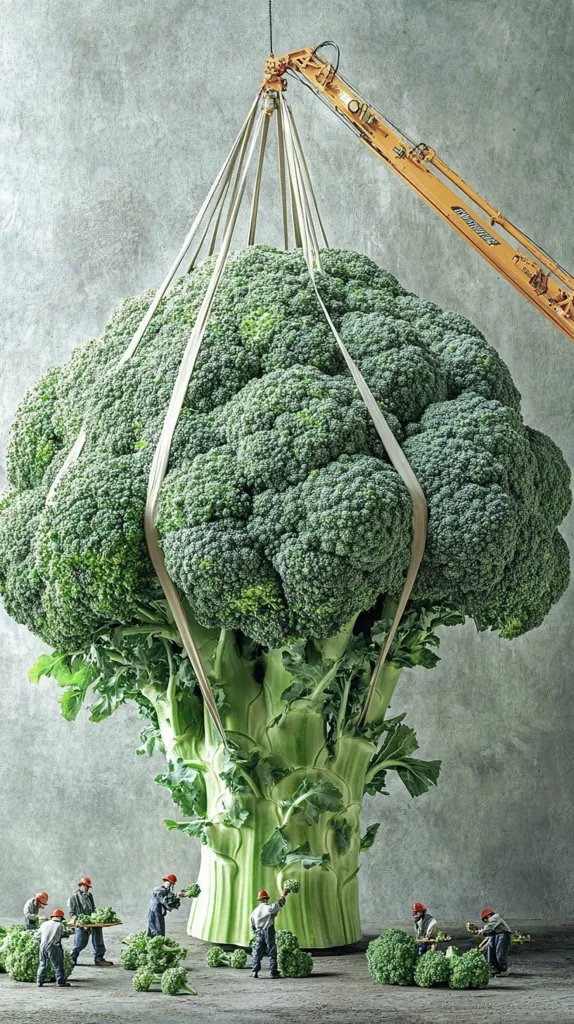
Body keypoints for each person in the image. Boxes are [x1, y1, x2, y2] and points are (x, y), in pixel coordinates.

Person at [67, 875, 113, 967]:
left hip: (92, 922)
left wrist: (98, 917)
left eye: (88, 887)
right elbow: (72, 913)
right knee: (80, 943)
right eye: (86, 886)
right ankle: (72, 959)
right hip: (81, 923)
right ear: (81, 885)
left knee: (98, 939)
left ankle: (99, 958)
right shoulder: (74, 897)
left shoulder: (89, 896)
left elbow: (93, 908)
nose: (87, 888)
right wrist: (81, 923)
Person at [250, 887, 291, 979]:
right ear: (266, 899)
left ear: (259, 900)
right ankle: (273, 972)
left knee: (257, 952)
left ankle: (255, 971)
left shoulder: (255, 911)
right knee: (272, 952)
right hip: (268, 931)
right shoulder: (269, 908)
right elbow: (279, 904)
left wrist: (255, 931)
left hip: (259, 933)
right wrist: (283, 895)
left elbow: (252, 924)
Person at [35, 908, 72, 988]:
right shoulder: (60, 925)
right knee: (58, 964)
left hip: (43, 945)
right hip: (53, 946)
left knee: (43, 963)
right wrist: (70, 932)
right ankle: (60, 981)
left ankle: (39, 981)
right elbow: (63, 934)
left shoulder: (44, 924)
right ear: (60, 918)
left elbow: (37, 936)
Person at [470, 908, 512, 977]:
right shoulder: (494, 921)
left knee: (500, 952)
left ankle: (503, 970)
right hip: (498, 935)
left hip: (504, 935)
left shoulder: (495, 918)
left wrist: (479, 931)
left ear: (488, 916)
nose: (486, 921)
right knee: (492, 952)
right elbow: (489, 932)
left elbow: (489, 927)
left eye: (485, 919)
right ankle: (497, 969)